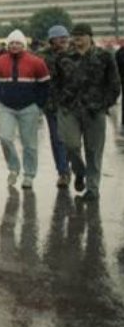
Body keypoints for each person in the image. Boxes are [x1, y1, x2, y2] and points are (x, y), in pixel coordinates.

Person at [52, 23, 121, 201]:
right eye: (75, 35)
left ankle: (92, 188)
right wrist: (59, 101)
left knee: (93, 150)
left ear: (90, 36)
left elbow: (114, 83)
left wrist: (105, 104)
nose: (78, 39)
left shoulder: (104, 56)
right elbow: (55, 82)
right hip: (69, 109)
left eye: (82, 35)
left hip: (94, 110)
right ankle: (80, 171)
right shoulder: (63, 57)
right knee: (71, 145)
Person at [0, 29, 50, 189]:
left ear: (24, 45)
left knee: (29, 144)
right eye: (12, 43)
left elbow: (44, 84)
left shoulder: (37, 62)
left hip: (29, 107)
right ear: (8, 44)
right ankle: (14, 169)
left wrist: (39, 104)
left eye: (18, 43)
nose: (15, 46)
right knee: (5, 138)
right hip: (6, 107)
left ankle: (29, 175)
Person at [38, 25, 72, 187]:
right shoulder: (42, 57)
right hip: (52, 105)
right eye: (60, 37)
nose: (64, 40)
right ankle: (63, 172)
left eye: (65, 37)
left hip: (74, 104)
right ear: (52, 40)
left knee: (73, 141)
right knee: (58, 139)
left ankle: (76, 168)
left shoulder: (75, 54)